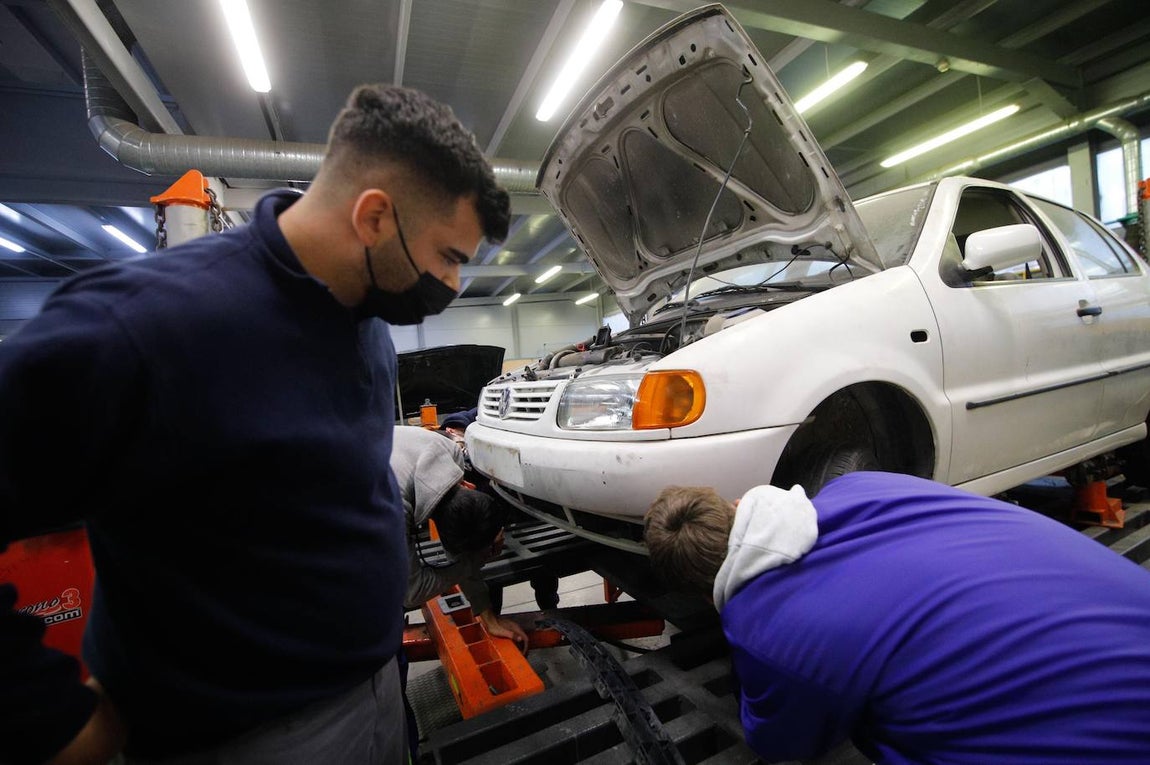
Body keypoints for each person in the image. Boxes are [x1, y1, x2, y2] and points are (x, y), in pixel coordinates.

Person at [0, 82, 510, 764]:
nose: (450, 285)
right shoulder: (151, 325)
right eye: (448, 256)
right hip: (251, 738)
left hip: (380, 690)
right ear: (376, 218)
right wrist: (48, 718)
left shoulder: (368, 326)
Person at [644, 471, 1150, 764]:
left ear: (699, 588)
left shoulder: (769, 629)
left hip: (1111, 739)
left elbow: (781, 740)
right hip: (1129, 611)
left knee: (880, 726)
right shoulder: (860, 486)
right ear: (734, 504)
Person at [391, 425, 527, 646]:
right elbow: (412, 592)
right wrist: (475, 561)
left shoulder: (449, 450)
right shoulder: (392, 509)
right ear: (469, 485)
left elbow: (457, 542)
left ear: (468, 486)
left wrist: (487, 615)